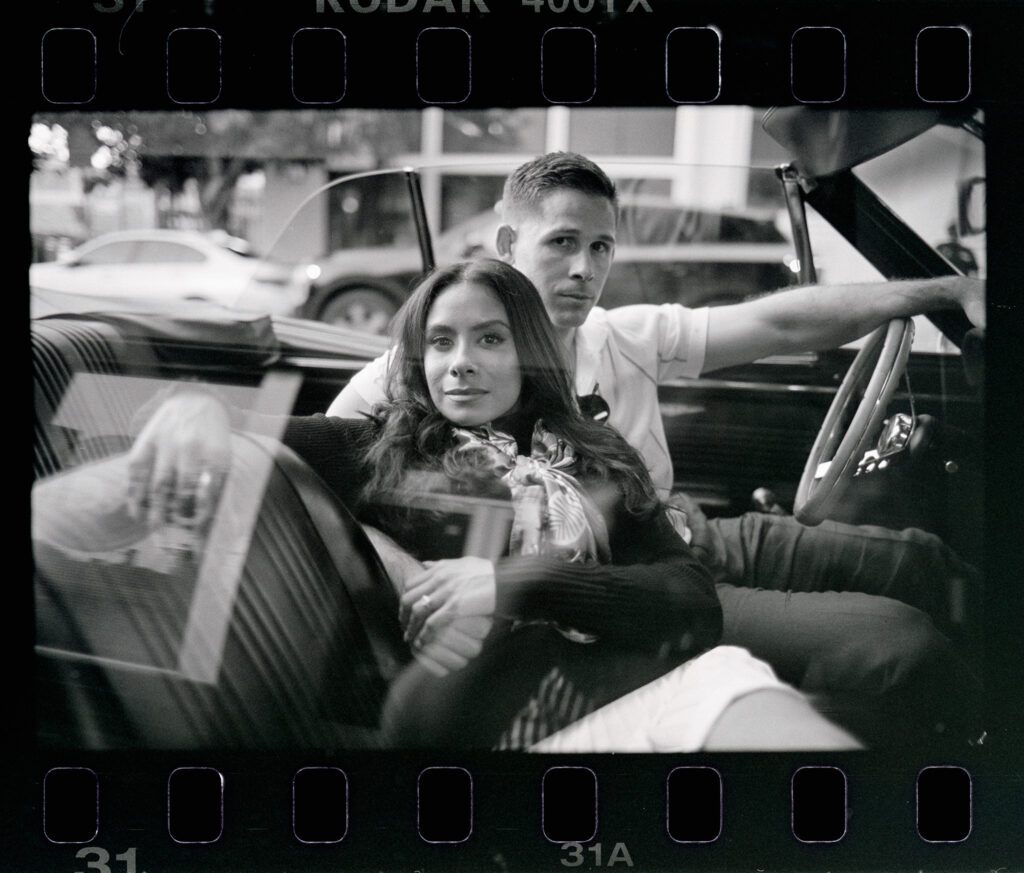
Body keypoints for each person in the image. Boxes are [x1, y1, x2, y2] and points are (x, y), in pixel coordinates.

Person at [326, 152, 984, 744]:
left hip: (693, 538)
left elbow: (781, 320)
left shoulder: (624, 335)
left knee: (918, 561)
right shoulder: (433, 366)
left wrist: (945, 291)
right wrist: (409, 573)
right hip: (625, 593)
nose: (585, 268)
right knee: (899, 641)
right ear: (508, 244)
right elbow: (319, 477)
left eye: (601, 247)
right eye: (561, 243)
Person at [125, 258, 858, 751]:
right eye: (440, 342)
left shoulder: (596, 454)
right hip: (498, 719)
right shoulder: (381, 450)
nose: (461, 360)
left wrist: (517, 580)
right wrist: (193, 408)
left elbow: (691, 600)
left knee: (743, 684)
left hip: (638, 682)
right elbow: (202, 425)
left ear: (529, 352)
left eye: (489, 338)